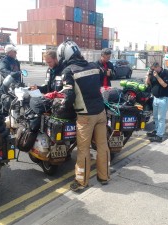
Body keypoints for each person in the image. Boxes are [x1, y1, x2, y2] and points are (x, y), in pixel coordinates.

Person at [57, 40, 110, 191]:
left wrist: (62, 109)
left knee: (83, 150)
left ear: (65, 55)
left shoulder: (69, 71)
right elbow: (98, 85)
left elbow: (69, 95)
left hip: (85, 116)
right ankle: (104, 177)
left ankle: (81, 182)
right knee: (102, 146)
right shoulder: (94, 66)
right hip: (100, 112)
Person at [145, 62, 168, 142]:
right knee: (155, 117)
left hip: (163, 98)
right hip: (155, 98)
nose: (153, 70)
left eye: (154, 69)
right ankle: (156, 131)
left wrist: (157, 76)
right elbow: (147, 83)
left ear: (158, 67)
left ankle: (159, 135)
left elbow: (164, 85)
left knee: (161, 118)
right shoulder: (153, 73)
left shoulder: (165, 73)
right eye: (152, 69)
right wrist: (148, 76)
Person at [0, 44, 22, 114]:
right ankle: (5, 120)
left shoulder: (16, 61)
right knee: (6, 104)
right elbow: (3, 71)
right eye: (14, 51)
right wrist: (14, 74)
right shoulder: (4, 61)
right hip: (7, 87)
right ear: (9, 52)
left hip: (17, 86)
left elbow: (19, 73)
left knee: (17, 105)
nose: (16, 53)